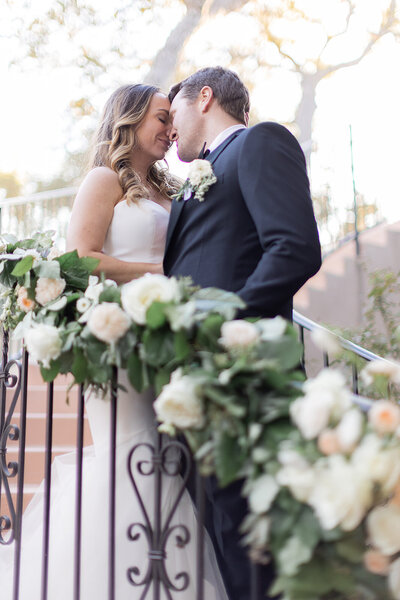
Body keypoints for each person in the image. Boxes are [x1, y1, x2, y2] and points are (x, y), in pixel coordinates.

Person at [0, 84, 228, 600]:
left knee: (167, 461)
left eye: (174, 119)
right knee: (136, 454)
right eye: (162, 117)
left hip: (166, 342)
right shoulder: (103, 179)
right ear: (128, 121)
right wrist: (161, 271)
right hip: (117, 345)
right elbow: (82, 256)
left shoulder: (169, 190)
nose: (172, 128)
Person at [164, 66, 322, 600]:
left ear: (204, 98)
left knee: (258, 556)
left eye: (173, 108)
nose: (169, 127)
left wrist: (222, 325)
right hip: (205, 390)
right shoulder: (199, 178)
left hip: (247, 384)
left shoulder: (259, 142)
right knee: (230, 548)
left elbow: (294, 248)